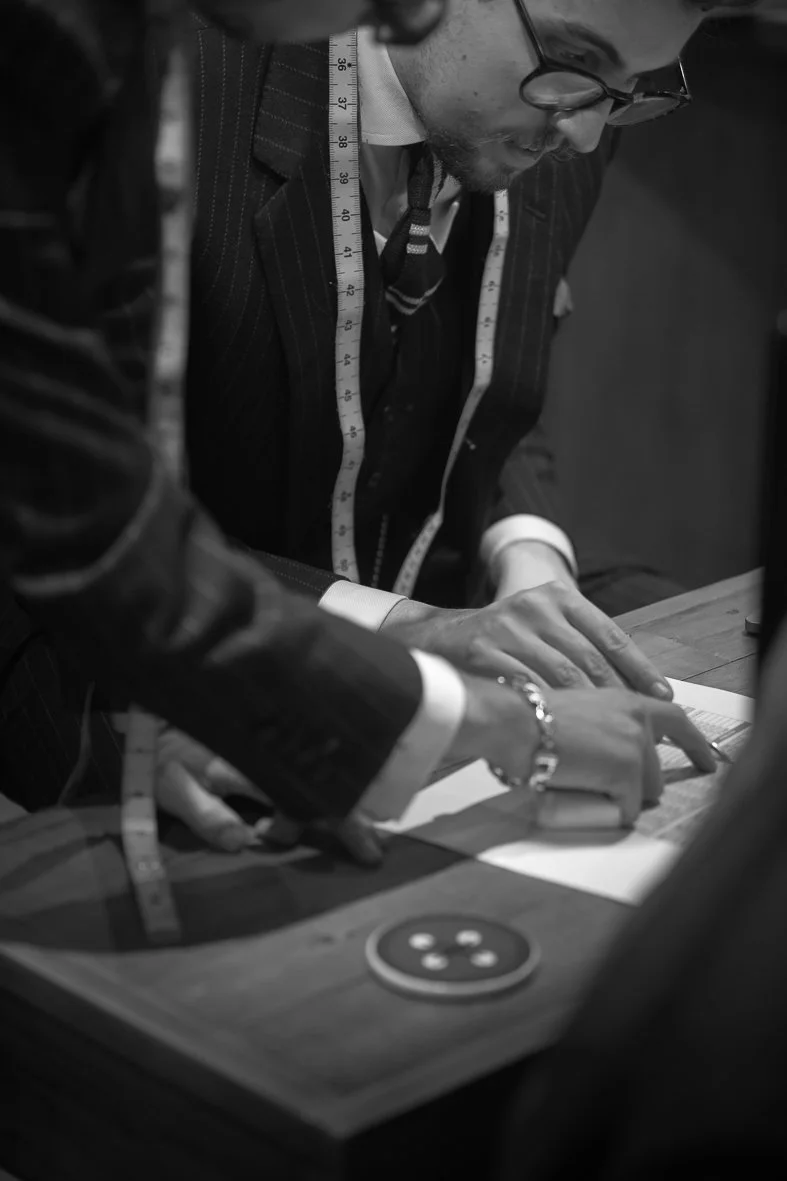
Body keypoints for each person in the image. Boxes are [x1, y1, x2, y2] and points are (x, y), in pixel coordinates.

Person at [0, 0, 713, 857]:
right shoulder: (130, 76)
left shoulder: (564, 105)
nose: (591, 133)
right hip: (116, 617)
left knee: (689, 652)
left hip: (421, 578)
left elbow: (488, 374)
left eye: (634, 89)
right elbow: (80, 516)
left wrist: (528, 560)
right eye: (570, 56)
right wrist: (464, 692)